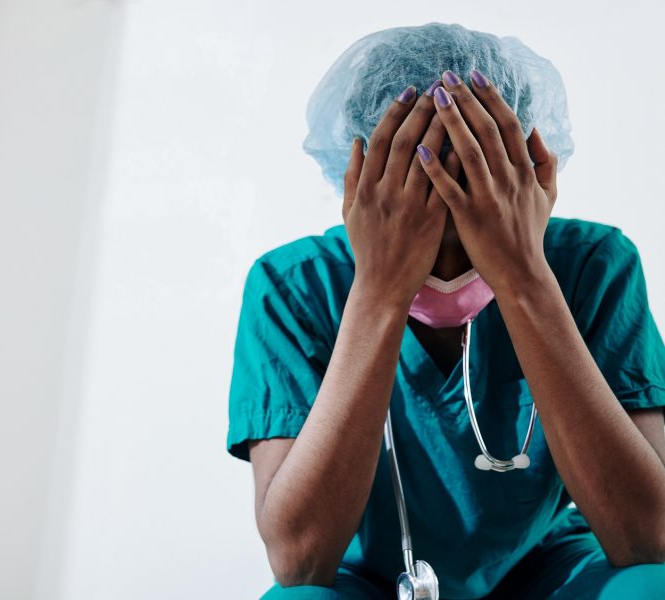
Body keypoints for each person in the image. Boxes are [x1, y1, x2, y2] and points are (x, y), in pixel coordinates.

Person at [226, 23, 665, 599]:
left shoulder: (592, 265)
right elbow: (299, 562)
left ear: (529, 178)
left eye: (476, 216)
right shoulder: (293, 286)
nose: (453, 257)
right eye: (420, 217)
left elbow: (649, 538)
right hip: (374, 584)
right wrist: (381, 290)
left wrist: (523, 275)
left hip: (554, 573)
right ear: (359, 188)